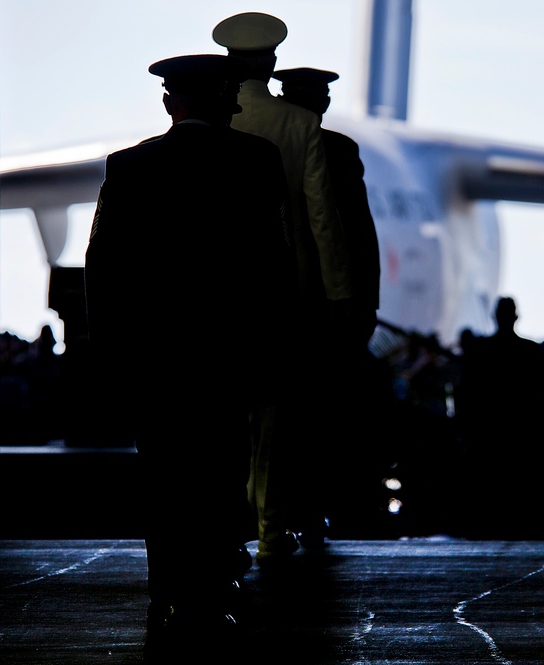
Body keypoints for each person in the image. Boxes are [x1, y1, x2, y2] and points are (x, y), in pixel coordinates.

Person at [83, 53, 297, 648]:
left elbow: (101, 268)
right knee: (221, 472)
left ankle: (166, 592)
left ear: (169, 103)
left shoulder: (128, 167)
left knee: (164, 474)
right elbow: (274, 268)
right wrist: (275, 349)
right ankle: (211, 593)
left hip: (156, 359)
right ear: (227, 106)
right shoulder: (257, 162)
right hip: (228, 356)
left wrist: (110, 350)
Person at [212, 12, 355, 562]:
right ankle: (272, 532)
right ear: (271, 62)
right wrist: (338, 291)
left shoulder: (214, 121)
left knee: (222, 420)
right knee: (275, 422)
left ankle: (226, 532)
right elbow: (323, 219)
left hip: (218, 295)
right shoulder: (300, 125)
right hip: (285, 292)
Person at [272, 66, 383, 545]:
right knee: (319, 419)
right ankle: (311, 511)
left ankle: (279, 512)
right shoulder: (337, 150)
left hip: (274, 301)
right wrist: (363, 303)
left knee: (278, 419)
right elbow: (358, 234)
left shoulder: (256, 141)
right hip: (326, 310)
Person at [455, 297, 544, 538]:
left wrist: (466, 435)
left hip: (487, 441)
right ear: (515, 317)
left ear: (495, 317)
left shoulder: (480, 351)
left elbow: (466, 395)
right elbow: (542, 401)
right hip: (520, 442)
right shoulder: (530, 352)